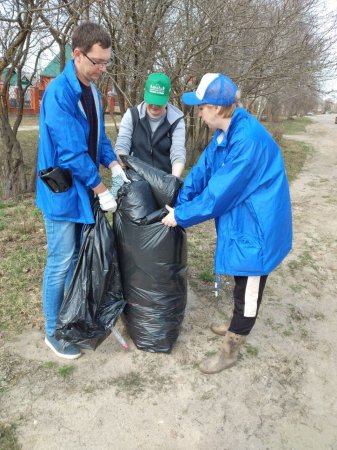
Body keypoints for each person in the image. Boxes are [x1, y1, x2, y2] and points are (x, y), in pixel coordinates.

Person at [162, 73, 292, 374]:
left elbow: (218, 194)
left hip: (260, 225)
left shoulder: (247, 141)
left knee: (249, 284)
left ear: (219, 108)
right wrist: (180, 199)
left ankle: (231, 349)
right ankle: (235, 323)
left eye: (202, 106)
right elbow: (204, 170)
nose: (199, 111)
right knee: (240, 274)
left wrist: (180, 216)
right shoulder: (226, 132)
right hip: (244, 216)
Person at [36, 22, 128, 360]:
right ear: (77, 55)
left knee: (76, 260)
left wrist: (114, 164)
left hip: (82, 191)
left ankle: (69, 320)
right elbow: (72, 152)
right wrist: (102, 188)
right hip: (62, 193)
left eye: (107, 62)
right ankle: (52, 332)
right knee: (60, 261)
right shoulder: (60, 93)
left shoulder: (91, 91)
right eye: (97, 61)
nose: (102, 69)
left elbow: (98, 137)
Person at [114, 72, 186, 177]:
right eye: (151, 100)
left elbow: (178, 152)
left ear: (168, 96)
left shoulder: (176, 121)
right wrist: (122, 163)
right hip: (135, 176)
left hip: (163, 179)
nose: (154, 105)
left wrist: (174, 179)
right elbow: (123, 143)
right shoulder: (132, 115)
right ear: (145, 93)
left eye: (159, 101)